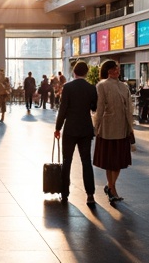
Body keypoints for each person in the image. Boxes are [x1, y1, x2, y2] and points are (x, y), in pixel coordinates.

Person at [54, 62, 99, 206]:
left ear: (74, 72)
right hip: (85, 129)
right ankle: (90, 194)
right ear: (86, 73)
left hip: (70, 129)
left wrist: (58, 128)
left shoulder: (67, 87)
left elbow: (63, 110)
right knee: (86, 161)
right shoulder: (91, 88)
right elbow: (94, 107)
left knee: (67, 161)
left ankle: (65, 193)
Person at [93, 61, 135, 206]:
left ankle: (110, 185)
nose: (116, 71)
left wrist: (131, 127)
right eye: (113, 69)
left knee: (118, 161)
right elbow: (99, 108)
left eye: (117, 68)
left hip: (123, 127)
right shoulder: (102, 85)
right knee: (110, 161)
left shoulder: (124, 86)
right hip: (108, 127)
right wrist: (96, 126)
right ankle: (112, 188)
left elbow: (129, 107)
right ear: (107, 71)